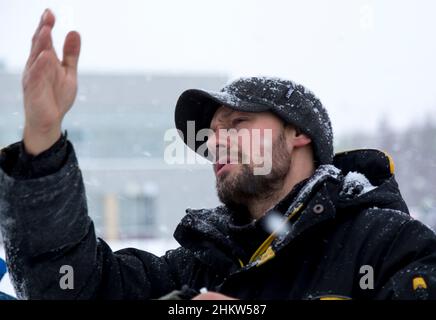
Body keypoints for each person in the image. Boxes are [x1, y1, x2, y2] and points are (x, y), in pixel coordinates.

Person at [0, 9, 435, 300]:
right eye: (209, 136)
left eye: (237, 125)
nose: (216, 143)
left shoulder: (387, 244)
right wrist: (43, 140)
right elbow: (69, 287)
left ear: (298, 133)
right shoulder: (195, 267)